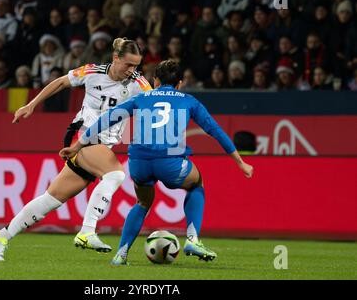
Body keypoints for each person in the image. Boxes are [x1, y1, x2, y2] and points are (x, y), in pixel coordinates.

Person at [60, 60, 254, 265]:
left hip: (138, 163)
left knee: (143, 202)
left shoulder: (142, 97)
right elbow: (215, 131)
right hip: (170, 162)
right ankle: (192, 240)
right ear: (180, 83)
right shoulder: (189, 100)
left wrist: (77, 146)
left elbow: (107, 119)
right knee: (197, 184)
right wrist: (240, 162)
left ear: (155, 80)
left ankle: (121, 254)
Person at [0, 38, 152, 261]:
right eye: (128, 65)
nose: (132, 70)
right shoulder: (93, 71)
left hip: (102, 145)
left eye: (136, 66)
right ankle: (87, 232)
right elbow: (61, 82)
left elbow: (155, 104)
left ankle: (1, 236)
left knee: (51, 199)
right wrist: (31, 104)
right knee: (115, 174)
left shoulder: (138, 84)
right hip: (82, 136)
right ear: (116, 58)